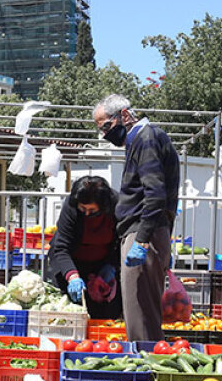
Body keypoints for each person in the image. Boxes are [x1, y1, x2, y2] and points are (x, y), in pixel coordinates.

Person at [93, 94, 179, 341]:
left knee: (141, 315)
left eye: (106, 126)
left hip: (143, 232)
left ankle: (145, 360)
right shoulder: (142, 139)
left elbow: (155, 194)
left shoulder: (146, 138)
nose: (105, 135)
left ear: (125, 115)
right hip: (147, 232)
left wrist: (142, 241)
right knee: (140, 310)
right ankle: (146, 356)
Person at [49, 176, 123, 320]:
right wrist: (72, 276)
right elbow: (61, 247)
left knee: (105, 312)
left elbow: (122, 240)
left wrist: (112, 265)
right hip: (71, 261)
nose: (87, 214)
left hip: (103, 262)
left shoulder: (117, 204)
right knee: (70, 312)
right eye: (82, 209)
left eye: (92, 211)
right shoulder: (71, 206)